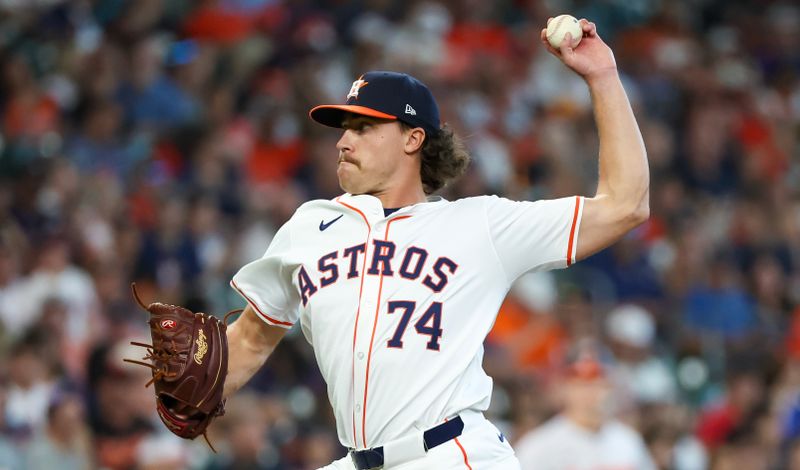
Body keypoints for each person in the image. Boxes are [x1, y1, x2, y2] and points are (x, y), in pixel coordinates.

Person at [222, 17, 649, 469]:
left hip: (450, 453)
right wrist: (190, 398)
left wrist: (603, 76)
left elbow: (626, 205)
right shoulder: (310, 226)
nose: (343, 142)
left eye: (364, 128)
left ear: (413, 137)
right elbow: (251, 338)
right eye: (343, 128)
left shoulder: (480, 225)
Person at [514, 355, 657, 470]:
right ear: (565, 390)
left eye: (597, 384)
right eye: (581, 385)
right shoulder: (538, 446)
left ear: (609, 389)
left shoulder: (628, 441)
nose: (590, 393)